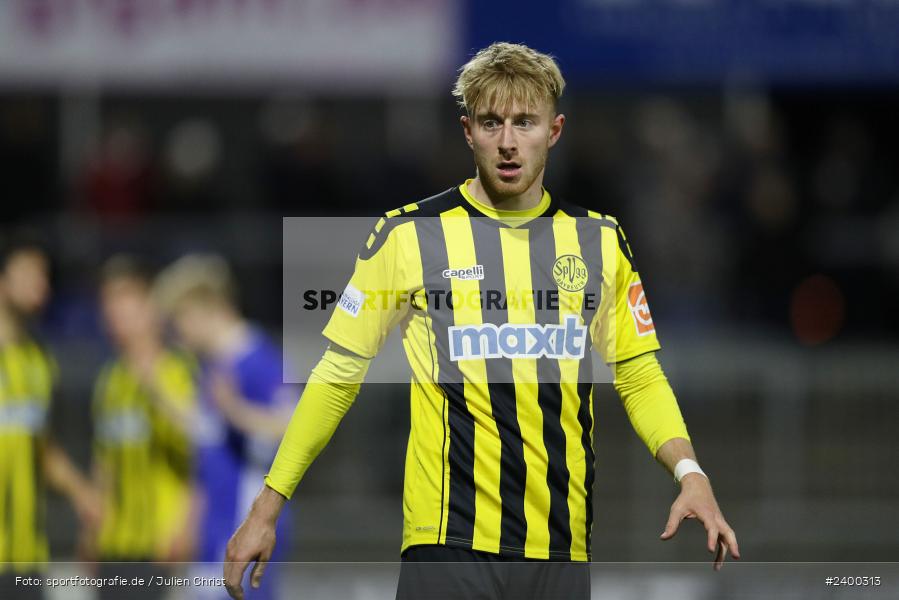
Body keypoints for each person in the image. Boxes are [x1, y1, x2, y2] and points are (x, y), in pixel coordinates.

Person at [223, 42, 740, 600]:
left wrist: (692, 474)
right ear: (468, 131)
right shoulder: (407, 236)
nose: (509, 142)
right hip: (446, 545)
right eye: (492, 123)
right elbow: (336, 376)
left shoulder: (599, 241)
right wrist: (266, 507)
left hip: (561, 549)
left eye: (525, 122)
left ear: (555, 130)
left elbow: (639, 374)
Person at [153, 254, 295, 600]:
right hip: (214, 529)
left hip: (244, 527)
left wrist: (235, 409)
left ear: (206, 308)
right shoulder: (213, 366)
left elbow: (291, 425)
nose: (178, 331)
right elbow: (213, 436)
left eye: (180, 318)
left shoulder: (258, 358)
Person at [86, 256, 198, 599]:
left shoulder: (181, 371)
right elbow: (104, 463)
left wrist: (187, 528)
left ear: (151, 306)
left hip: (163, 545)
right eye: (109, 302)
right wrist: (89, 534)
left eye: (125, 301)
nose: (115, 313)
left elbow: (202, 458)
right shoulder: (110, 379)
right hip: (113, 544)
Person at [0, 232, 100, 600]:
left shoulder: (39, 361)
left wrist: (84, 494)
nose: (40, 284)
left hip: (27, 560)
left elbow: (41, 448)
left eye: (43, 275)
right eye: (28, 272)